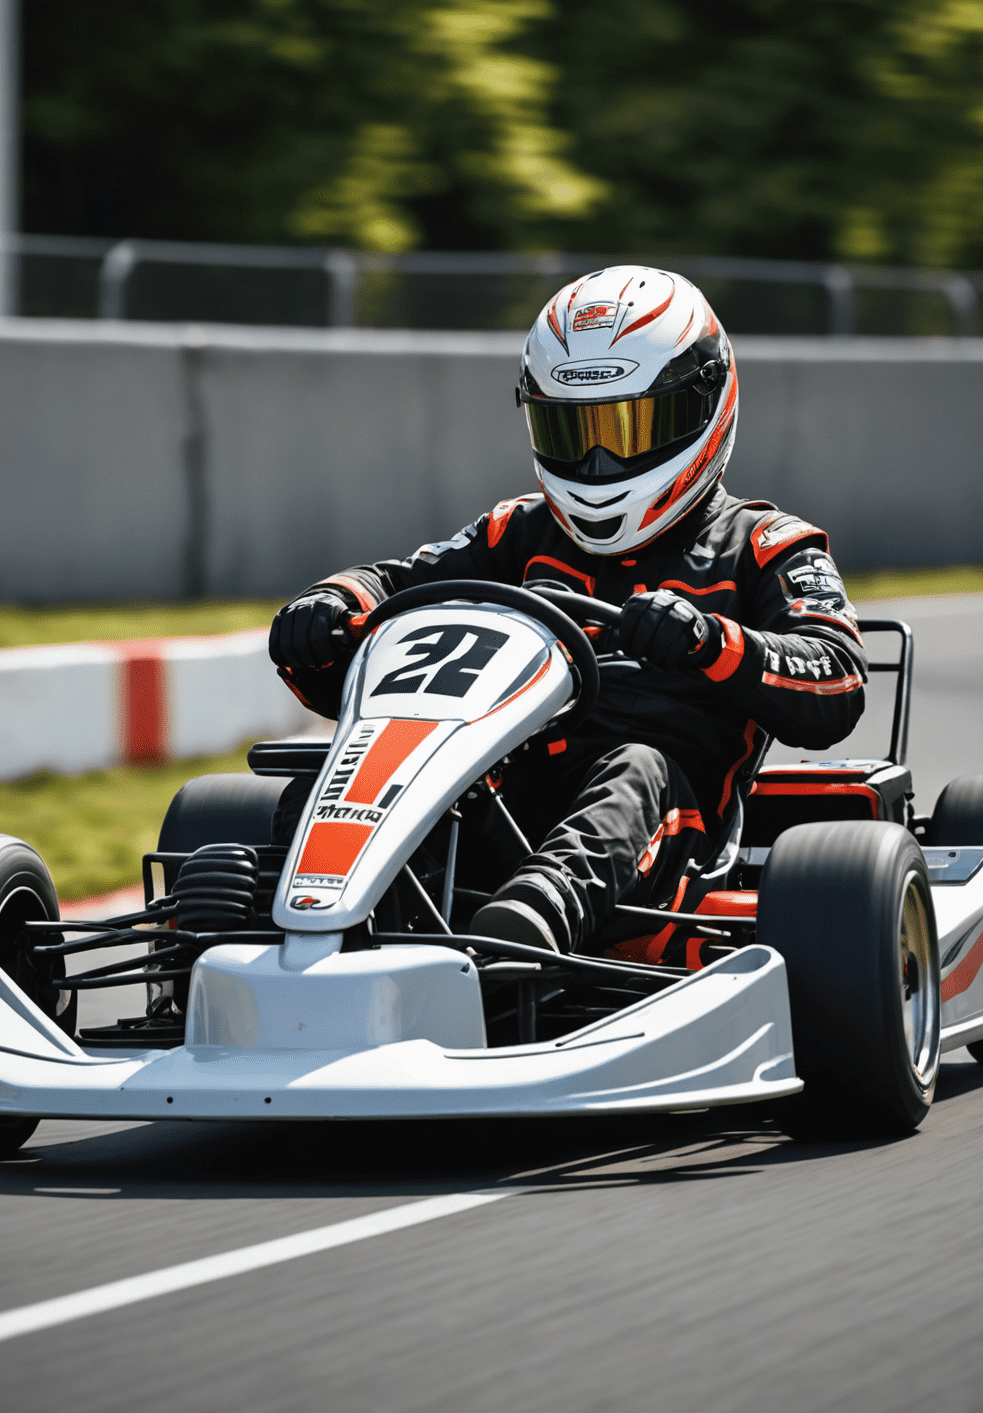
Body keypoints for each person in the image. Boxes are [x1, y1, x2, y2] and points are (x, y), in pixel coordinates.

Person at [268, 266, 867, 957]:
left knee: (636, 767)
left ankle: (525, 935)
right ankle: (269, 926)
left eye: (631, 426)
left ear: (703, 405)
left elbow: (837, 681)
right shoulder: (514, 535)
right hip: (500, 804)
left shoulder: (763, 546)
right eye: (573, 430)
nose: (600, 460)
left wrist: (710, 642)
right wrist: (332, 608)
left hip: (667, 838)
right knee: (334, 777)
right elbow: (396, 585)